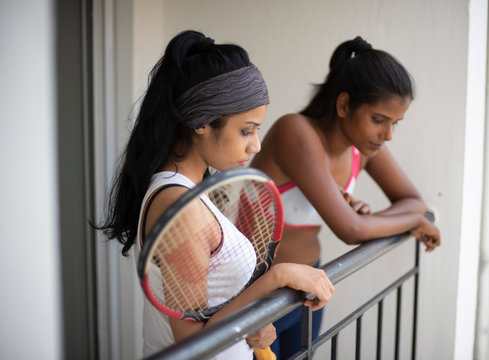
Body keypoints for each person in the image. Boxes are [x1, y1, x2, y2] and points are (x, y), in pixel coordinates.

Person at [96, 30, 334, 359]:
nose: (257, 145)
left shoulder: (192, 190)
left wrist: (251, 319)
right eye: (246, 130)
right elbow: (192, 342)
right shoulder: (181, 208)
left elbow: (210, 305)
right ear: (201, 123)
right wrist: (277, 276)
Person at [250, 35, 441, 358]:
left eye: (395, 123)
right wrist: (412, 221)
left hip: (308, 287)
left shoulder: (362, 148)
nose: (388, 135)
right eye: (379, 120)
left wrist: (377, 219)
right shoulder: (295, 132)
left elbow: (412, 199)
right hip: (258, 295)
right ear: (343, 105)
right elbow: (350, 230)